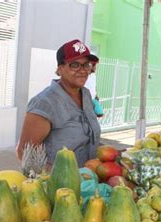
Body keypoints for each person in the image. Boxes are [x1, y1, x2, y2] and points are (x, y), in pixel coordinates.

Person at [16, 39, 101, 167]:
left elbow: (88, 139)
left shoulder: (86, 95)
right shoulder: (44, 104)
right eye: (75, 65)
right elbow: (23, 152)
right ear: (60, 69)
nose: (82, 70)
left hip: (89, 180)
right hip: (58, 184)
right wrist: (58, 177)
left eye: (86, 65)